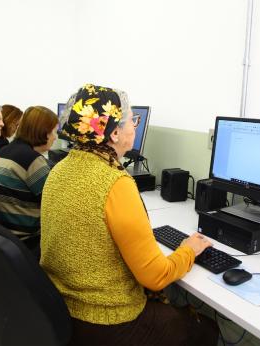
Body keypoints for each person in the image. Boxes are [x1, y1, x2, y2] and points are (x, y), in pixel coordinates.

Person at [40, 84, 219, 346]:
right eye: (132, 120)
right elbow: (155, 276)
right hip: (108, 323)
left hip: (60, 312)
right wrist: (188, 250)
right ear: (114, 134)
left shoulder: (58, 170)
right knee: (206, 330)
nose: (135, 126)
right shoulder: (115, 183)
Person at [0, 106, 58, 244]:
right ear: (44, 133)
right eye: (54, 132)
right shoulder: (31, 160)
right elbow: (55, 204)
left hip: (4, 232)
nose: (55, 138)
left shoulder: (5, 150)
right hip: (27, 238)